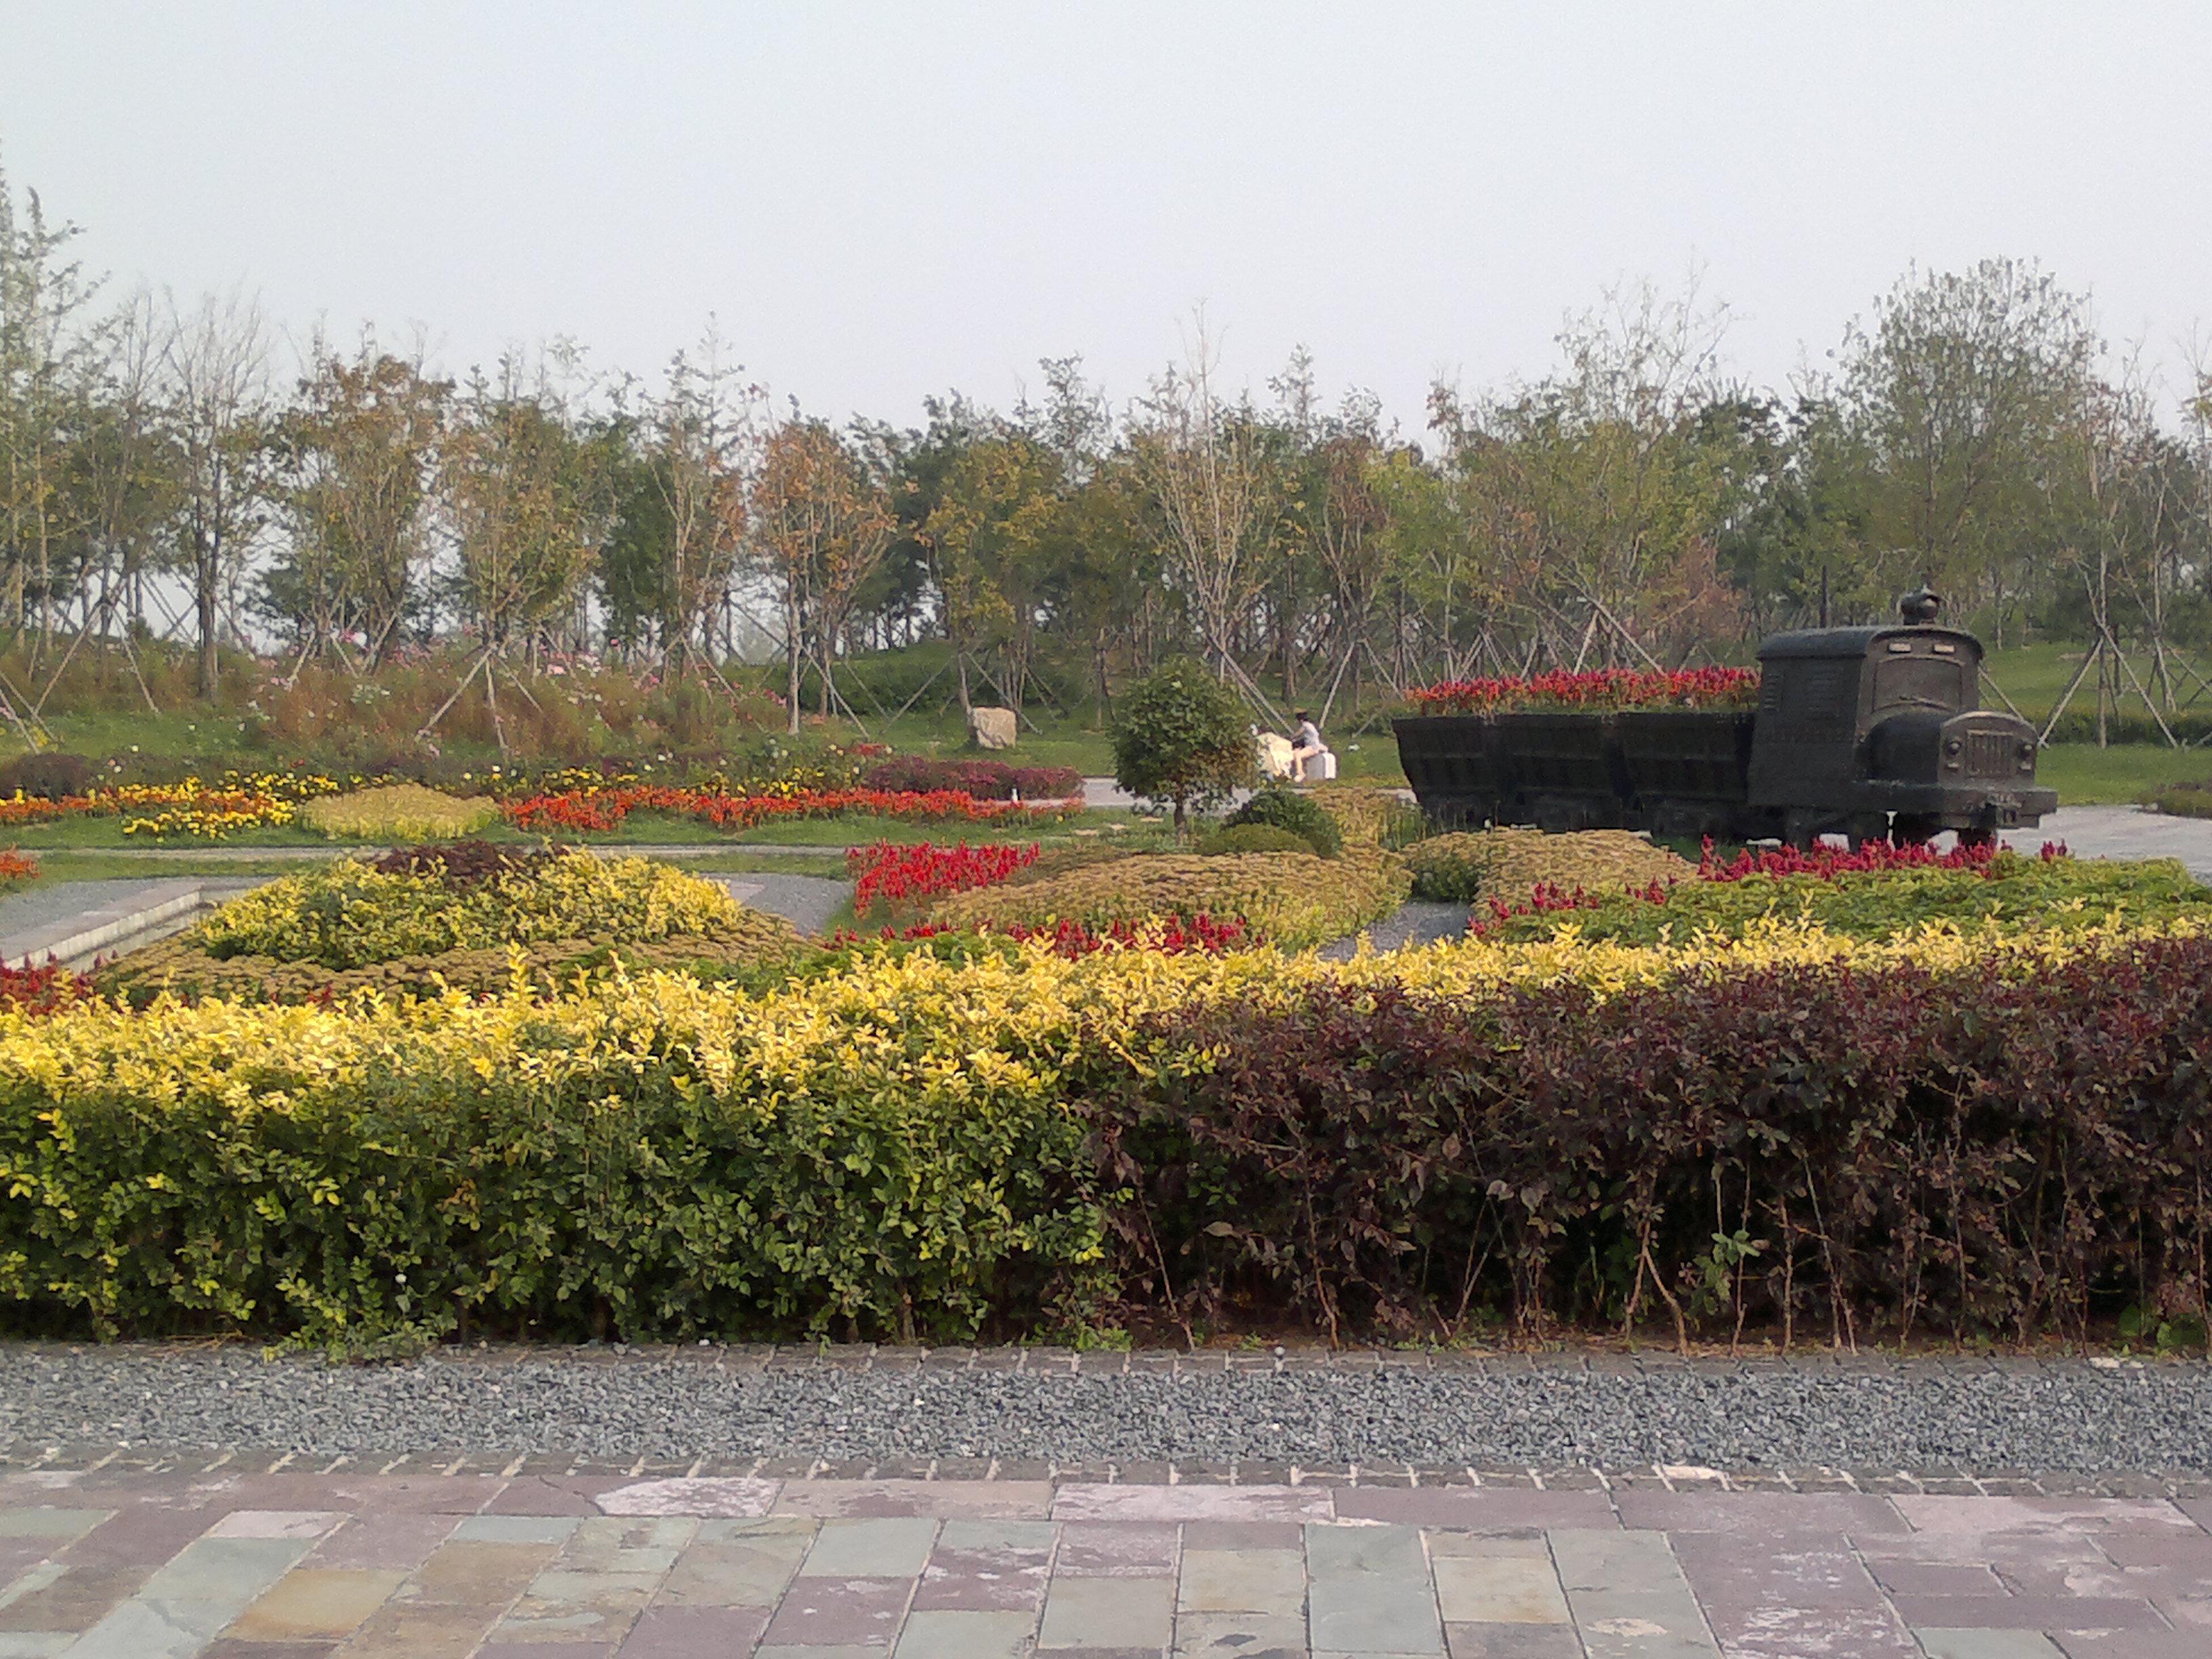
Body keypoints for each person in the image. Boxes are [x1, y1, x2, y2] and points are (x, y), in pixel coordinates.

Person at [1288, 709, 1330, 783]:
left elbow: (1298, 734)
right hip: (1314, 745)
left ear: (1301, 720)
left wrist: (1290, 737)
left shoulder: (1305, 725)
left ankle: (1300, 773)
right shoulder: (1310, 725)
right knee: (1297, 752)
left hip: (1312, 747)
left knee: (1298, 755)